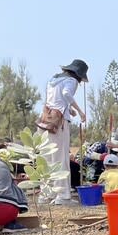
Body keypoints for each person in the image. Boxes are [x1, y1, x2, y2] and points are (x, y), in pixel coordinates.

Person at [41, 59, 87, 205]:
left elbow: (55, 100)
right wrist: (80, 111)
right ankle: (62, 196)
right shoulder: (71, 81)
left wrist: (70, 109)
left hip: (46, 119)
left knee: (47, 158)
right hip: (59, 122)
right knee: (61, 158)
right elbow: (66, 94)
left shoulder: (53, 79)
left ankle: (46, 194)